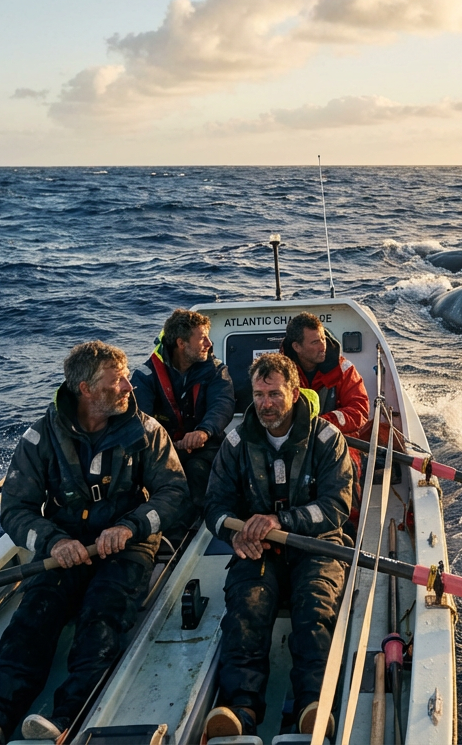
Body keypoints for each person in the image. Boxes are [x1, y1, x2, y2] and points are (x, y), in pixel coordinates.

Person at [0, 341, 190, 745]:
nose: (128, 387)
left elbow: (174, 494)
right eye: (116, 381)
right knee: (31, 618)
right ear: (85, 390)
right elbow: (16, 509)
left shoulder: (147, 432)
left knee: (102, 614)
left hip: (126, 544)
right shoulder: (40, 438)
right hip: (66, 547)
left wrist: (130, 527)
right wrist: (54, 542)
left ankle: (66, 715)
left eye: (126, 377)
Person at [202, 353, 354, 740]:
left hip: (316, 545)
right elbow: (214, 507)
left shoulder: (327, 439)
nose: (265, 403)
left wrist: (280, 521)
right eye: (258, 394)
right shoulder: (235, 443)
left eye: (273, 394)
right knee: (244, 611)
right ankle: (240, 709)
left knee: (315, 608)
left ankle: (313, 705)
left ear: (294, 392)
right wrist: (234, 534)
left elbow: (337, 507)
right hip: (259, 550)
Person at [131, 308, 235, 533]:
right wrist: (168, 446)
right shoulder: (145, 376)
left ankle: (197, 530)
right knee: (163, 480)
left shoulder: (216, 371)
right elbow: (140, 420)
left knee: (198, 470)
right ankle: (166, 530)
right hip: (163, 449)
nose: (208, 343)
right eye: (202, 338)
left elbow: (222, 404)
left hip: (207, 446)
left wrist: (204, 432)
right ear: (181, 343)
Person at [280, 312, 368, 439]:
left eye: (323, 338)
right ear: (297, 347)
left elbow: (359, 412)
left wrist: (322, 423)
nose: (323, 347)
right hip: (292, 440)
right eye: (315, 342)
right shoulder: (279, 373)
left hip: (336, 439)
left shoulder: (344, 369)